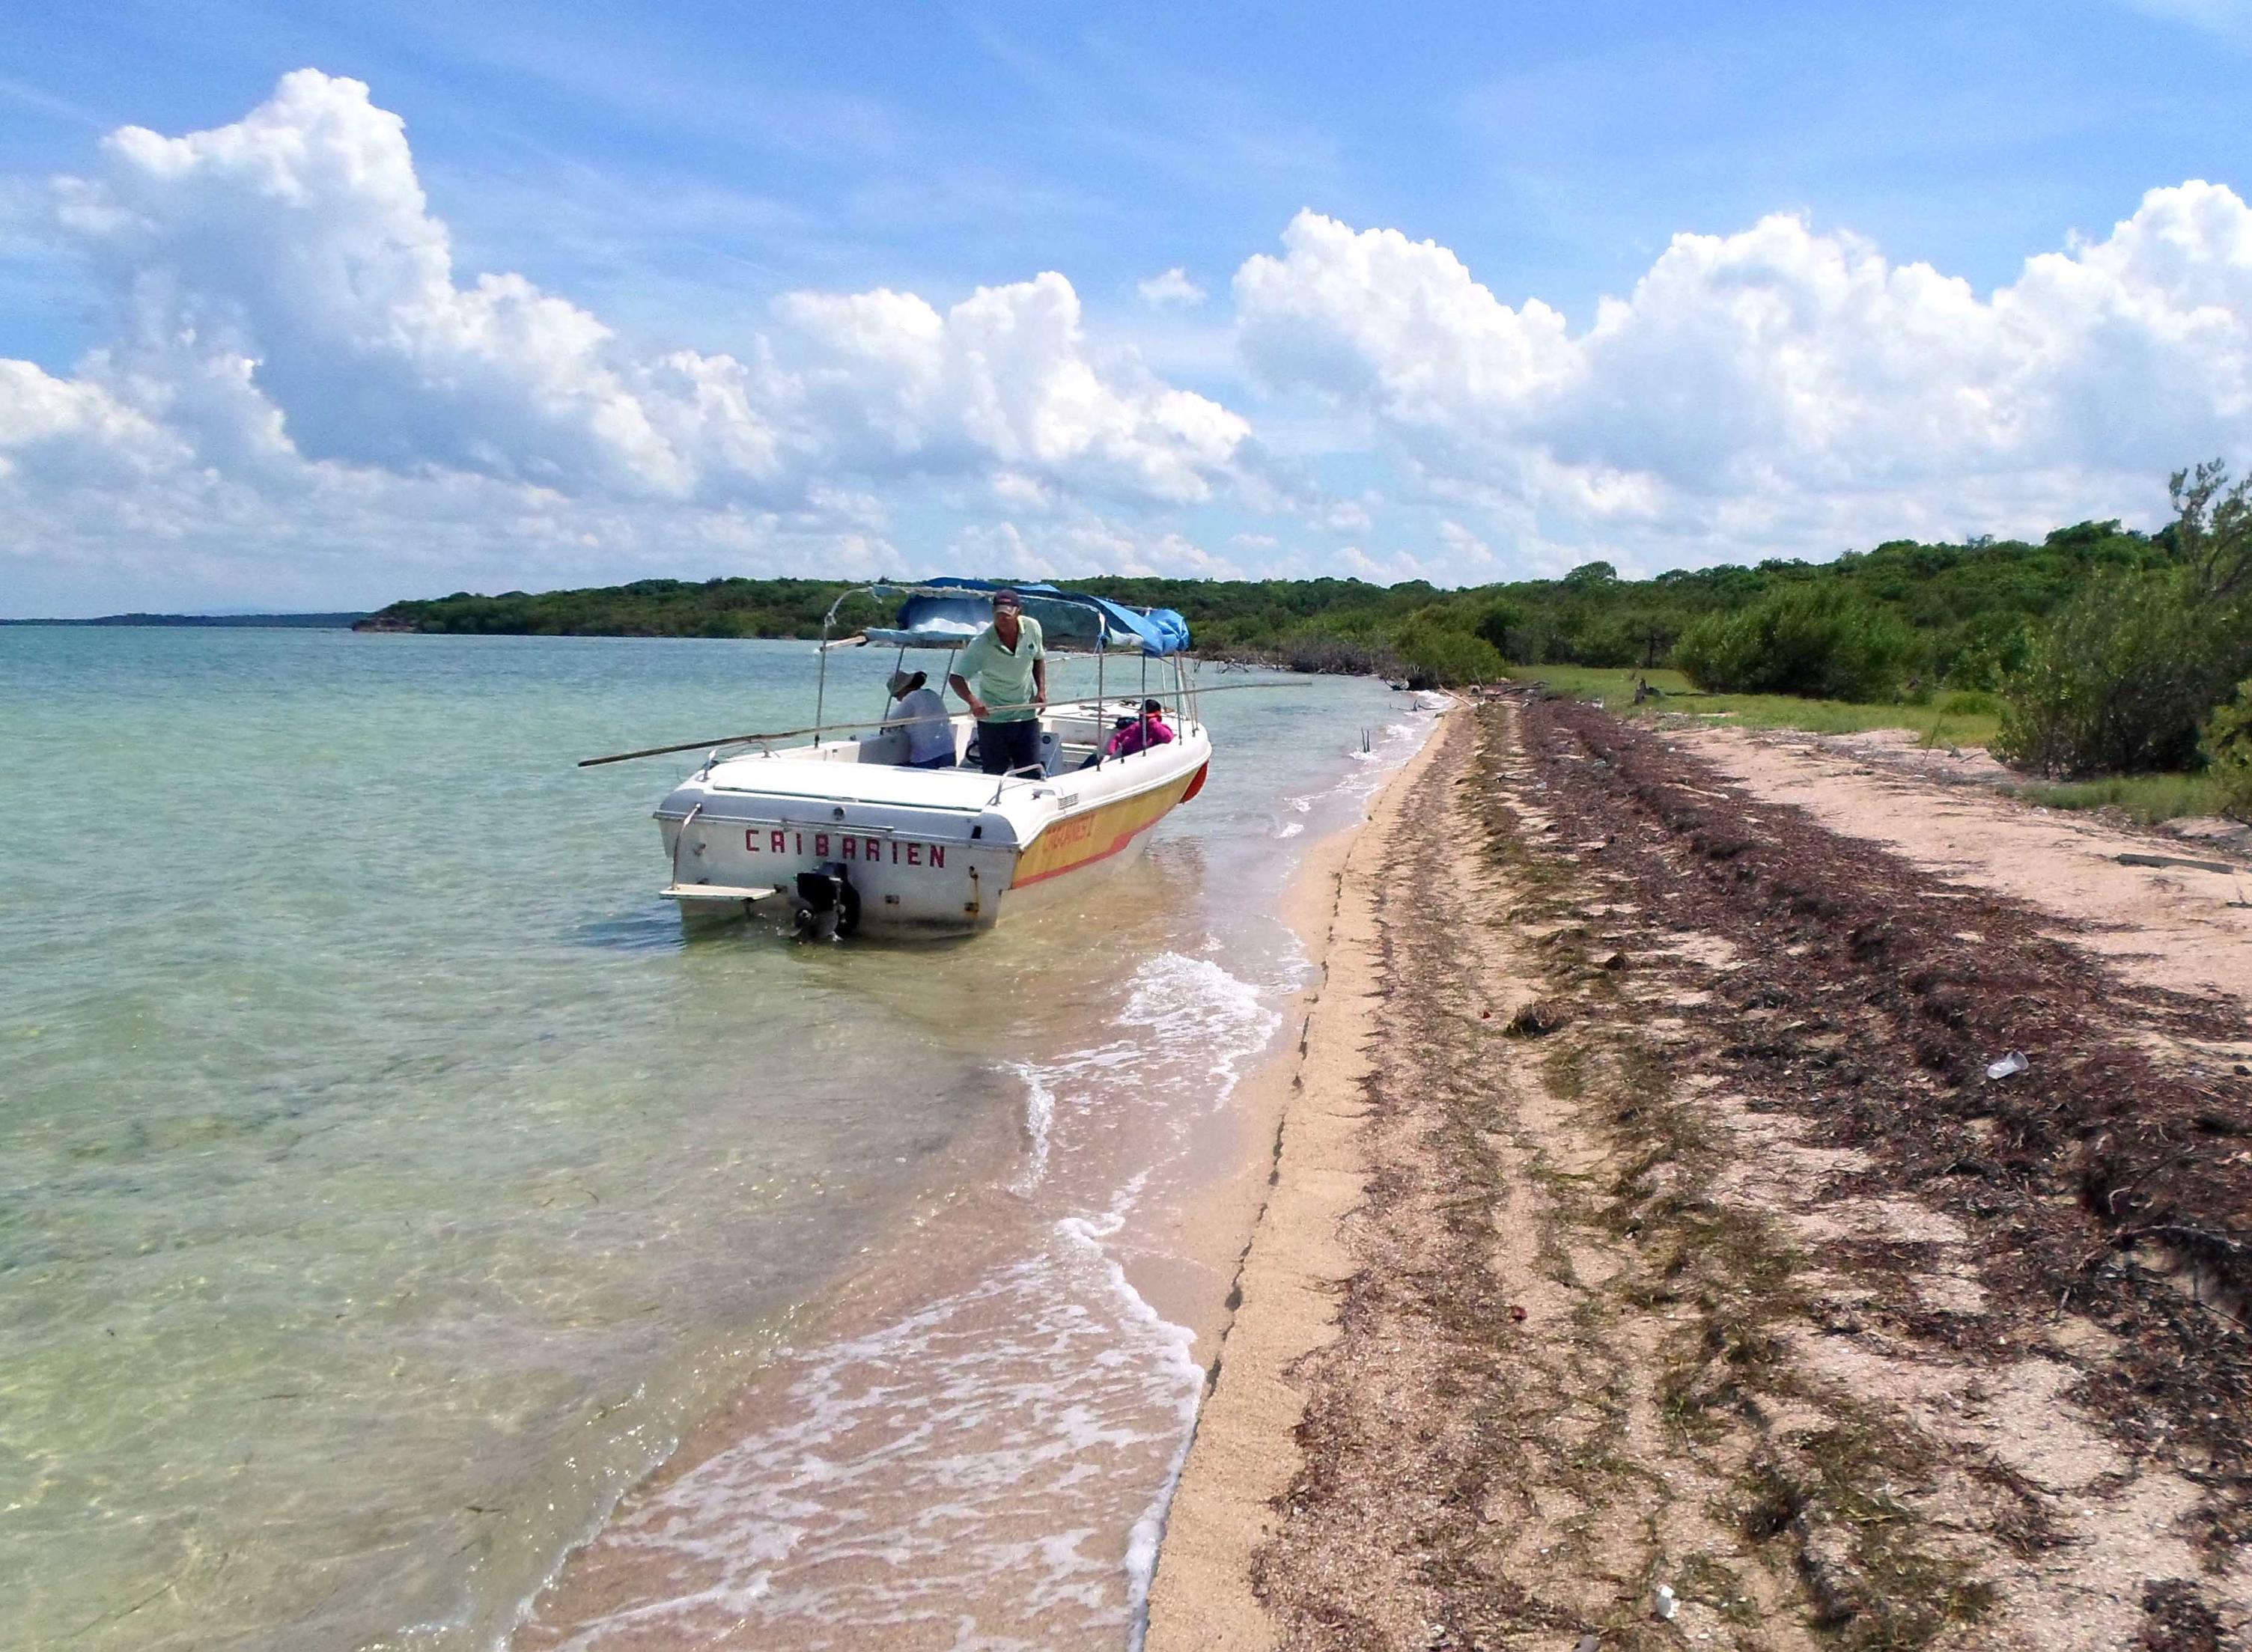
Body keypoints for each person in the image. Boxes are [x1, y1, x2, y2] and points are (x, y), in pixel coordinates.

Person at [949, 589, 1047, 777]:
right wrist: (973, 702)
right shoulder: (981, 644)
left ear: (1018, 611)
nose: (1003, 618)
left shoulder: (1033, 628)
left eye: (1007, 614)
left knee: (1031, 772)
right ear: (993, 611)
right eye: (999, 613)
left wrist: (1042, 690)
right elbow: (957, 678)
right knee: (994, 773)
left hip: (1025, 714)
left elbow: (1038, 658)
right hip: (993, 718)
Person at [883, 668, 955, 768]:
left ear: (903, 689)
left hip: (928, 756)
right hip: (949, 751)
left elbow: (890, 722)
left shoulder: (911, 697)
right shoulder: (932, 694)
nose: (898, 700)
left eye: (896, 696)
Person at [1105, 698, 1174, 759]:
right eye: (1141, 716)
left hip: (1142, 759)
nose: (1142, 718)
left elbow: (1168, 738)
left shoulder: (1160, 728)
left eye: (1146, 717)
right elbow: (1118, 737)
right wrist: (1111, 754)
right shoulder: (1136, 726)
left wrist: (1153, 723)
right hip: (1126, 756)